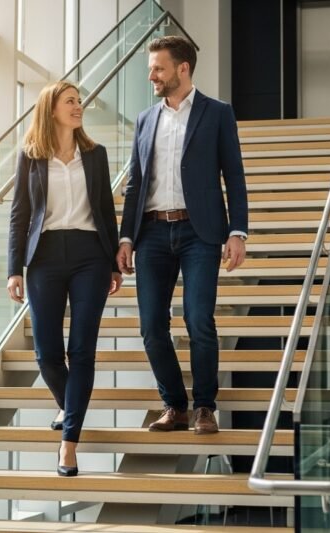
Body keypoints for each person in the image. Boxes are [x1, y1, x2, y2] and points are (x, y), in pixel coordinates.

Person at [116, 36, 248, 435]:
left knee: (197, 319)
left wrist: (237, 231)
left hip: (200, 231)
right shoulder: (145, 119)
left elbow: (234, 176)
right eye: (151, 69)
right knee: (152, 325)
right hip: (152, 232)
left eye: (158, 68)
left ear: (182, 68)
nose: (152, 76)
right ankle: (175, 405)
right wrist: (125, 238)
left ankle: (205, 406)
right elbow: (136, 181)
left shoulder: (217, 113)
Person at [7, 80, 122, 476]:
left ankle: (68, 443)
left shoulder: (95, 154)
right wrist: (13, 270)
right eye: (70, 101)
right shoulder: (30, 157)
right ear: (51, 109)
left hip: (91, 255)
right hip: (45, 258)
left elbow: (106, 210)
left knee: (82, 350)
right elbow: (20, 215)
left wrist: (113, 264)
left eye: (79, 101)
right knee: (47, 353)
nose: (78, 106)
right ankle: (68, 402)